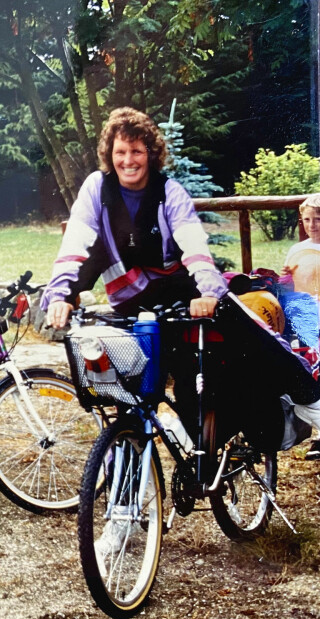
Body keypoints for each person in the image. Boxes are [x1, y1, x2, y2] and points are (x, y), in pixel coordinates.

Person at [42, 106, 320, 454]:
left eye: (137, 151)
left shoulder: (169, 192)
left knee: (232, 344)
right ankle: (125, 472)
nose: (128, 160)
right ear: (109, 155)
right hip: (131, 304)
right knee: (131, 395)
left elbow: (195, 249)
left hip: (185, 296)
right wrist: (60, 294)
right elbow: (76, 245)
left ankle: (307, 395)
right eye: (120, 152)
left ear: (151, 154)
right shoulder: (96, 188)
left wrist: (207, 291)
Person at [282, 193, 320, 459]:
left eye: (317, 220)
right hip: (303, 316)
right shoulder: (298, 249)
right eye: (307, 220)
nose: (312, 225)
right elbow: (291, 282)